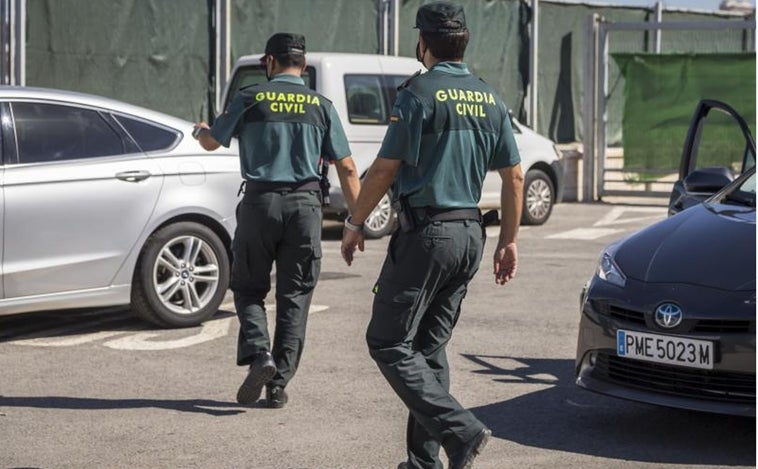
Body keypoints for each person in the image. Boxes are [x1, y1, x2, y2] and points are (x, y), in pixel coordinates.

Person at [340, 2, 524, 468]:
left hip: (427, 235)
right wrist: (509, 241)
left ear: (423, 42)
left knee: (387, 342)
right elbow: (515, 177)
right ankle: (425, 463)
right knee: (428, 348)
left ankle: (460, 431)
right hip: (470, 235)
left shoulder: (418, 93)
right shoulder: (490, 97)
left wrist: (355, 222)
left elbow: (383, 170)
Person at [194, 32, 360, 409]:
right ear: (302, 64)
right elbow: (347, 168)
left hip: (259, 204)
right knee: (295, 297)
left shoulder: (250, 98)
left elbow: (211, 142)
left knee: (249, 288)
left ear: (269, 62)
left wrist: (201, 129)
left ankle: (259, 356)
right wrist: (356, 222)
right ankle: (279, 384)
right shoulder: (321, 106)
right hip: (305, 207)